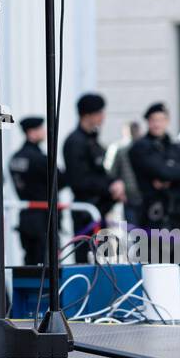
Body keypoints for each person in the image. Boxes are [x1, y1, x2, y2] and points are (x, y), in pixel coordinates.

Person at [128, 102, 180, 298]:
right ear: (147, 122)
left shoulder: (177, 147)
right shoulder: (140, 148)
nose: (157, 124)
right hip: (153, 218)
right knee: (155, 270)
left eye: (161, 120)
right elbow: (162, 171)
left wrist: (176, 175)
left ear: (167, 121)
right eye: (153, 120)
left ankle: (179, 314)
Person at [62, 93, 124, 259]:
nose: (103, 117)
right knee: (87, 261)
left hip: (100, 209)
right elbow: (79, 180)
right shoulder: (75, 142)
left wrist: (114, 183)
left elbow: (102, 170)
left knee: (103, 260)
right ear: (88, 115)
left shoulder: (92, 141)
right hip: (86, 212)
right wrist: (108, 187)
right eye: (100, 113)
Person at [9, 116, 67, 266]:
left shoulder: (15, 158)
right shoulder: (39, 159)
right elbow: (60, 180)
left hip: (26, 217)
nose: (44, 132)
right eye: (41, 129)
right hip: (44, 218)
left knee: (30, 262)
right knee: (47, 263)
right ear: (31, 132)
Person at [105, 121, 143, 228]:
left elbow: (109, 171)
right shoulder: (118, 148)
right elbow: (109, 173)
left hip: (135, 195)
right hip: (127, 196)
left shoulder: (119, 147)